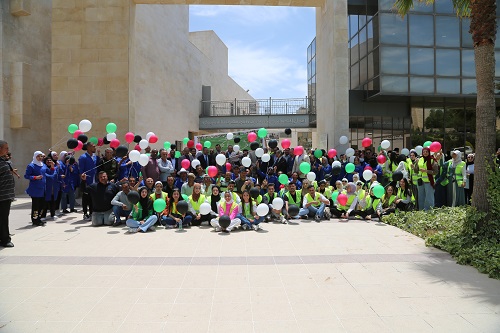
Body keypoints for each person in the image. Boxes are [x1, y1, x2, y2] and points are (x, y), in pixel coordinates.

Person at [24, 151, 47, 226]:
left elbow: (47, 172)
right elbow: (26, 176)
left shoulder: (43, 165)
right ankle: (35, 219)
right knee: (36, 205)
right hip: (35, 189)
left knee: (42, 204)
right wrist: (35, 177)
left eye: (41, 156)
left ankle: (39, 218)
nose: (40, 158)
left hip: (43, 188)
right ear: (35, 157)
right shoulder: (31, 166)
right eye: (38, 156)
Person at [79, 142, 99, 221]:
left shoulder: (95, 157)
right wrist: (82, 177)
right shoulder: (83, 157)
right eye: (93, 146)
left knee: (92, 198)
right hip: (86, 180)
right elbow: (81, 170)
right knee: (85, 198)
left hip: (94, 180)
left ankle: (92, 212)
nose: (95, 148)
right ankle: (85, 213)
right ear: (88, 147)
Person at [0, 140, 15, 247]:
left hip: (6, 196)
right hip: (2, 196)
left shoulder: (3, 160)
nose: (8, 150)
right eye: (6, 148)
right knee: (3, 218)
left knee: (3, 218)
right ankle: (5, 239)